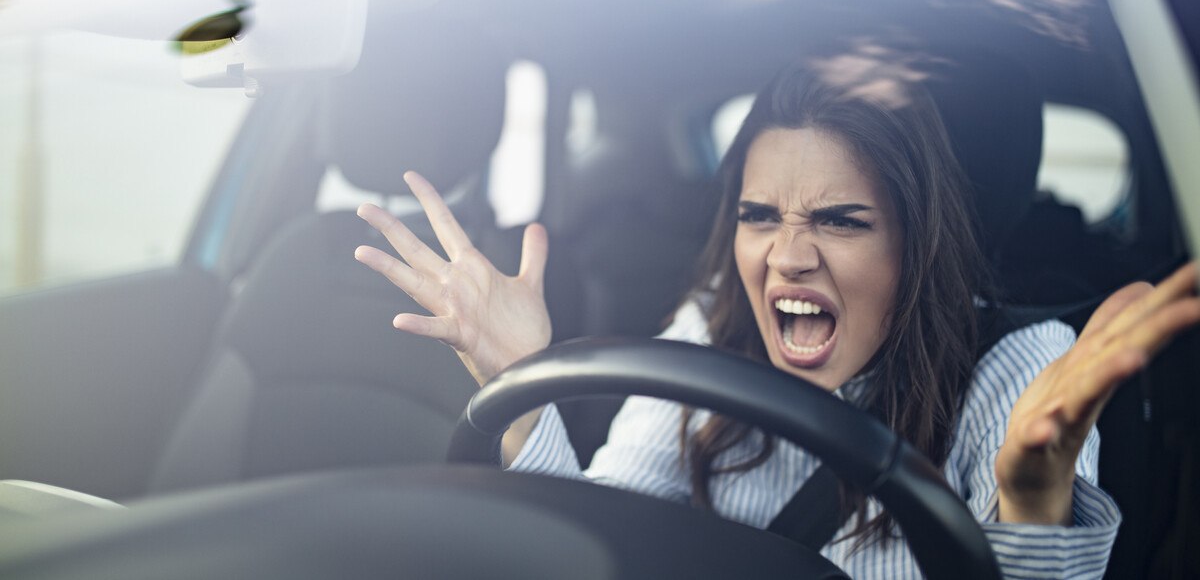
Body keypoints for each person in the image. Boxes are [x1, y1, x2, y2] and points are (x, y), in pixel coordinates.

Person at [352, 62, 1200, 578]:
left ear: (916, 246)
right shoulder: (711, 325)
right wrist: (524, 387)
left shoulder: (1023, 368)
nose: (785, 258)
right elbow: (602, 538)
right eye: (760, 215)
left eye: (839, 220)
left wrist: (1032, 497)